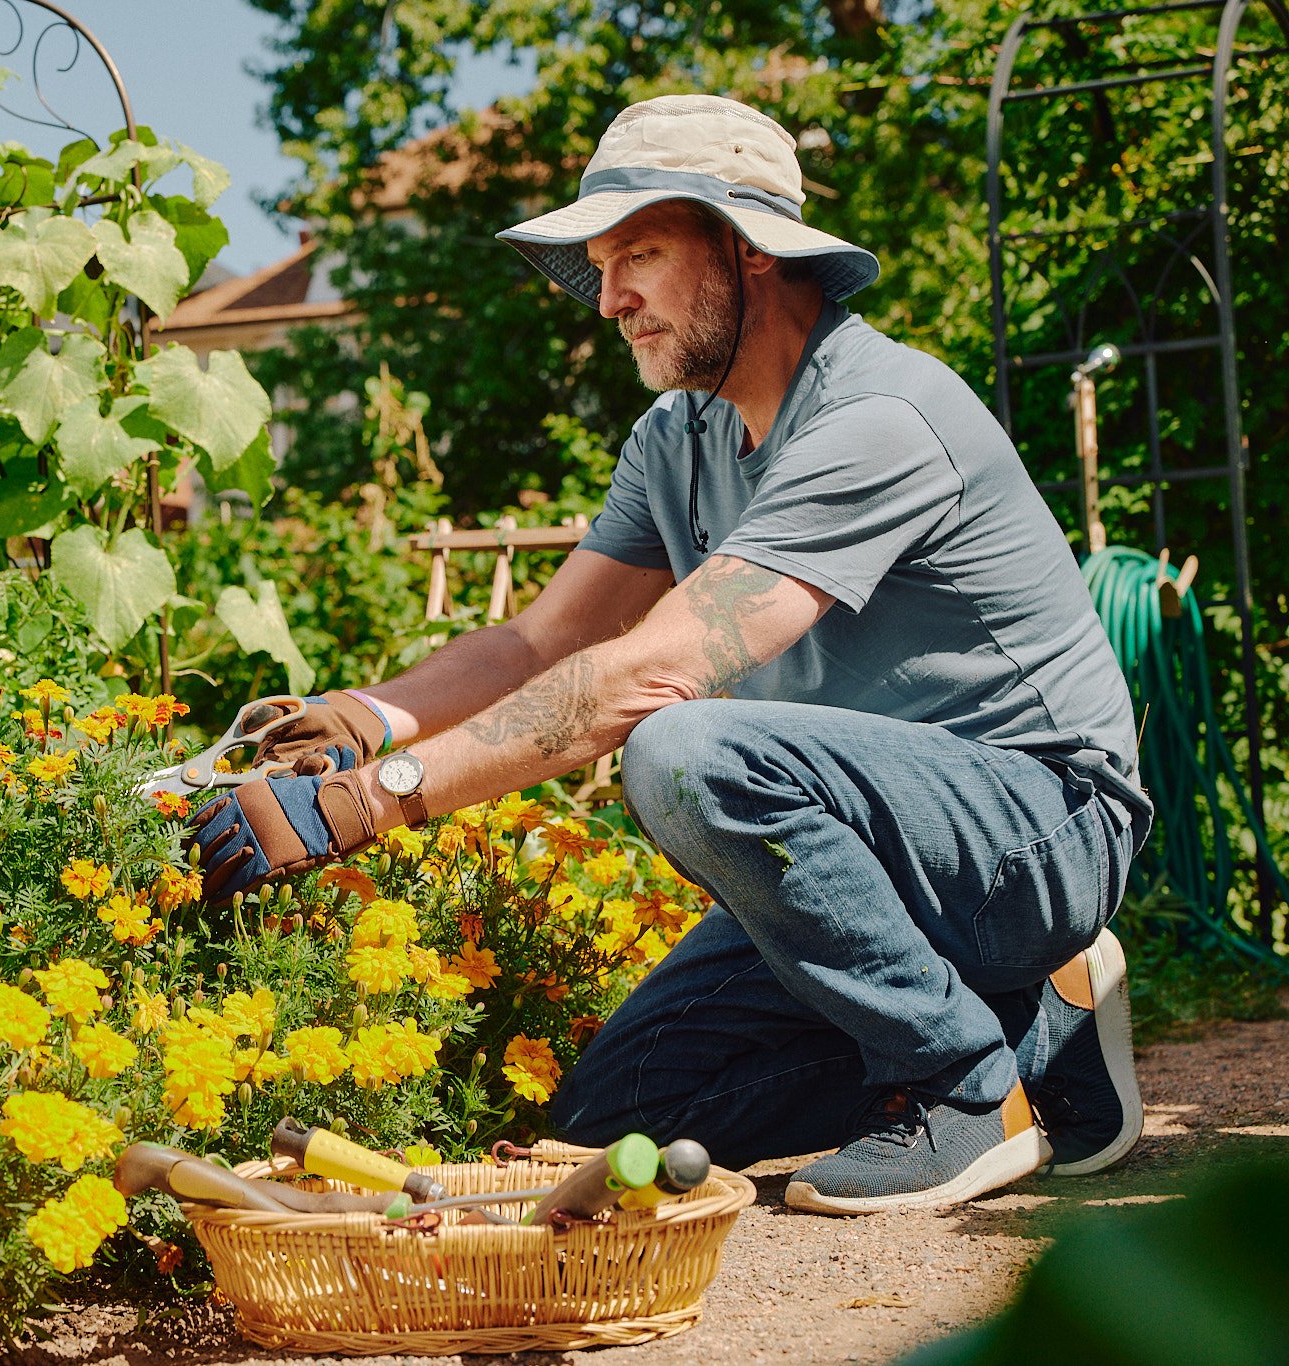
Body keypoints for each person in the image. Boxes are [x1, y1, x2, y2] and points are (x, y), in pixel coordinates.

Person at [183, 94, 1150, 1215]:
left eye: (636, 252)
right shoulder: (674, 439)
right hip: (871, 857)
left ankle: (960, 1086)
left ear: (747, 251)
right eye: (599, 265)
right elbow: (541, 636)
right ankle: (1037, 1025)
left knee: (683, 750)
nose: (607, 299)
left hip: (1034, 827)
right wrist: (360, 720)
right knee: (614, 1121)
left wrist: (369, 800)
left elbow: (650, 677)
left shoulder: (877, 417)